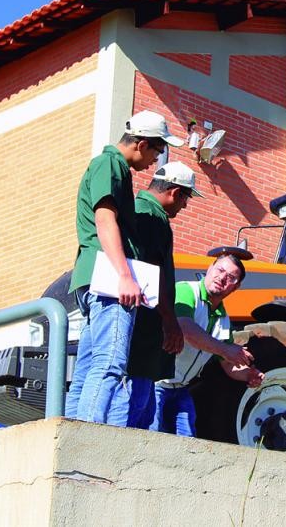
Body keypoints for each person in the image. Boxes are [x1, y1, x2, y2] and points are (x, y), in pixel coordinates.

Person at [66, 110, 184, 424]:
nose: (154, 161)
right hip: (107, 278)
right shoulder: (111, 165)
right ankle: (87, 435)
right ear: (142, 143)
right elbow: (105, 219)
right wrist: (124, 275)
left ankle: (71, 431)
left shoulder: (114, 167)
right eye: (157, 151)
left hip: (93, 277)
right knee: (110, 364)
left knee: (89, 366)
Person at [113, 162, 200, 428]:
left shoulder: (140, 212)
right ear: (175, 192)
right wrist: (170, 320)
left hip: (140, 330)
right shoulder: (153, 218)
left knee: (143, 408)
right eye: (186, 198)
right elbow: (152, 273)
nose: (184, 206)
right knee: (134, 410)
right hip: (142, 333)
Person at [151, 251, 263, 436]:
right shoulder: (187, 291)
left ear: (236, 287)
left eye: (231, 278)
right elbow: (184, 329)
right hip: (155, 384)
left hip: (180, 388)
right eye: (219, 270)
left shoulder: (223, 320)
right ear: (209, 268)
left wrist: (248, 374)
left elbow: (227, 363)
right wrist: (226, 349)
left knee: (187, 443)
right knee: (149, 437)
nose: (222, 278)